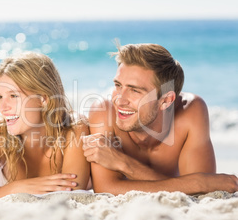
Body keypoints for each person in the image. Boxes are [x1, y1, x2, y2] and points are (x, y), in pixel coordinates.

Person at [83, 43, 238, 195]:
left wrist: (122, 163)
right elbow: (107, 188)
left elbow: (201, 194)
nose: (119, 100)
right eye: (118, 85)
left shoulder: (190, 111)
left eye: (134, 90)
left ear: (165, 100)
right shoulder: (103, 112)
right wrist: (196, 183)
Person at [0, 52, 90, 199]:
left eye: (13, 96)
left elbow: (72, 195)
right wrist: (16, 188)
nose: (2, 107)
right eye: (0, 97)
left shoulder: (74, 128)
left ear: (43, 99)